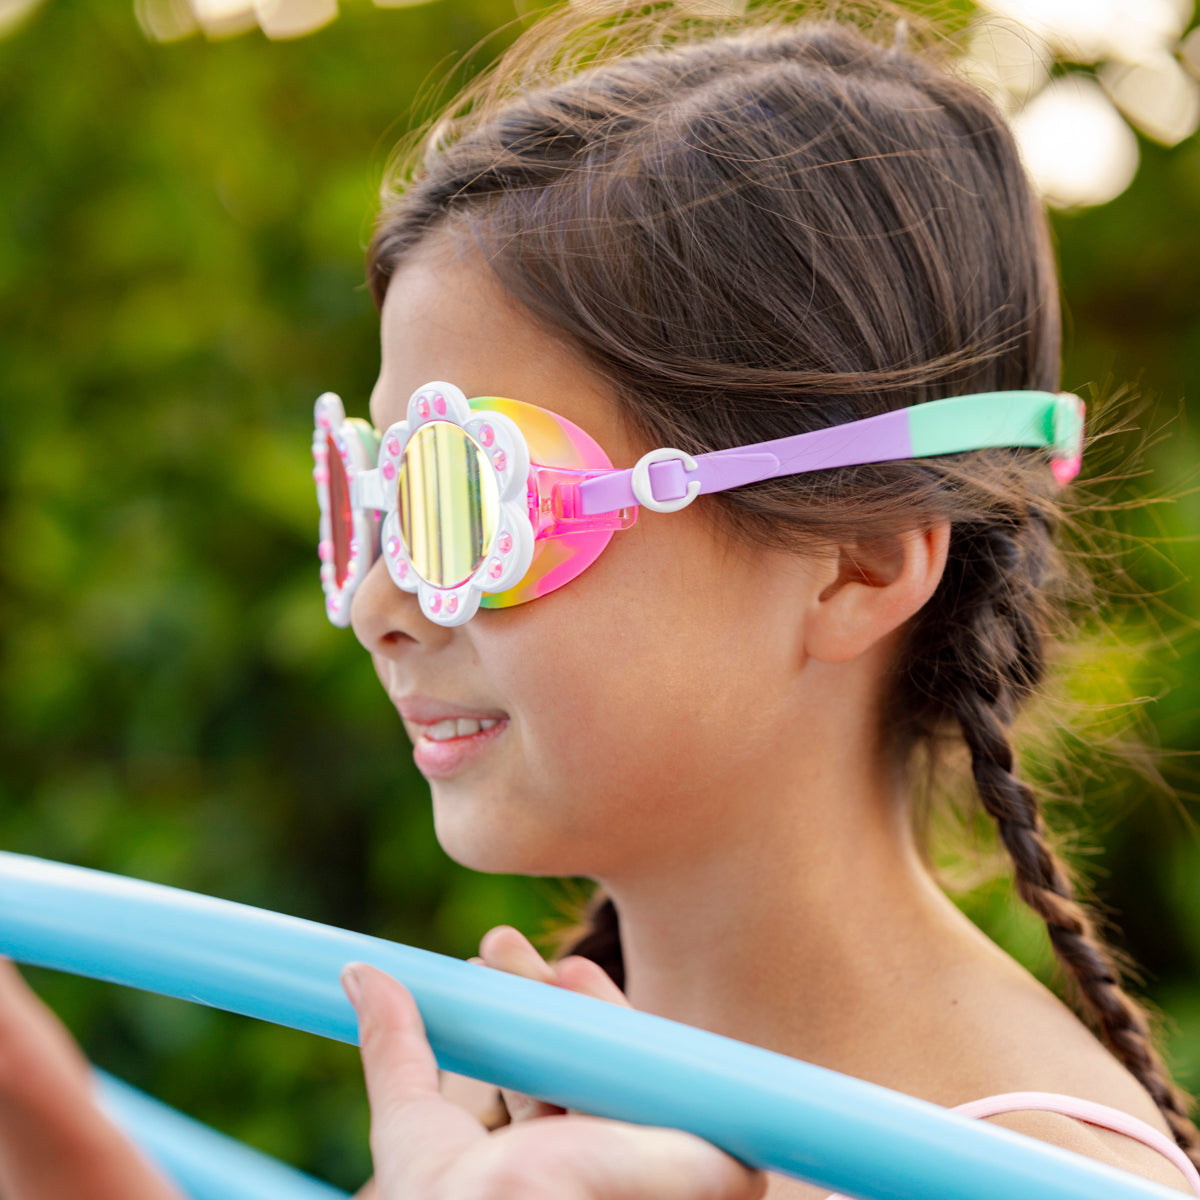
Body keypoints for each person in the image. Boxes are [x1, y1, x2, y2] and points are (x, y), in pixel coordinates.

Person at [1, 5, 1197, 1199]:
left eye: (465, 498)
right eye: (375, 495)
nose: (376, 602)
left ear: (859, 562)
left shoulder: (1032, 1176)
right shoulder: (546, 1118)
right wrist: (59, 1144)